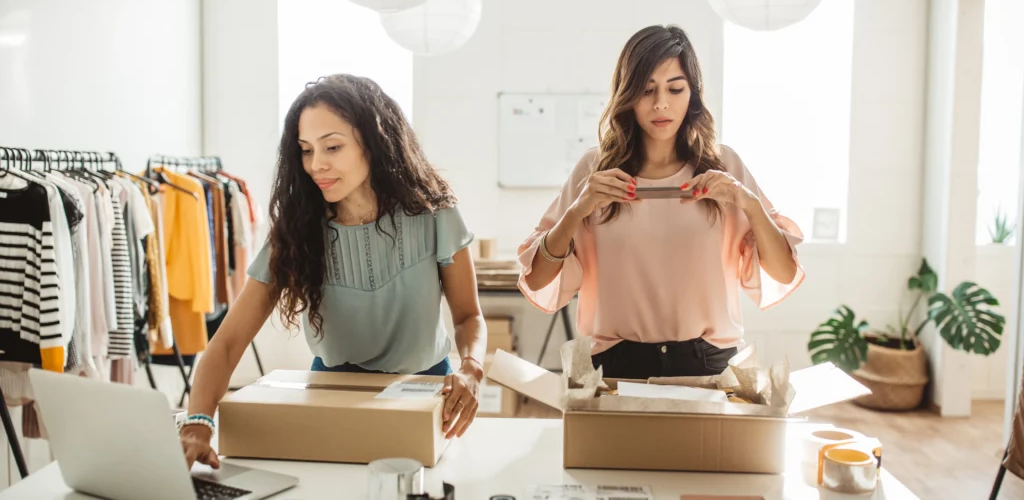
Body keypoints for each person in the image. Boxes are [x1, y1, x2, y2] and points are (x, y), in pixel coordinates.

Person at [178, 74, 487, 469]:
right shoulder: (296, 229)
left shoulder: (435, 212)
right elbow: (225, 344)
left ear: (375, 143)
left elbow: (468, 316)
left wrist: (472, 368)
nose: (316, 165)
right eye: (306, 150)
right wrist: (197, 422)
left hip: (427, 389)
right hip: (331, 388)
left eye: (333, 147)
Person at [519, 25, 805, 380]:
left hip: (710, 364)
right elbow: (537, 279)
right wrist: (578, 210)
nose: (661, 104)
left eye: (675, 88)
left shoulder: (724, 166)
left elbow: (784, 271)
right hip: (615, 365)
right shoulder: (594, 170)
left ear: (693, 94)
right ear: (628, 94)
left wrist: (749, 203)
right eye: (646, 89)